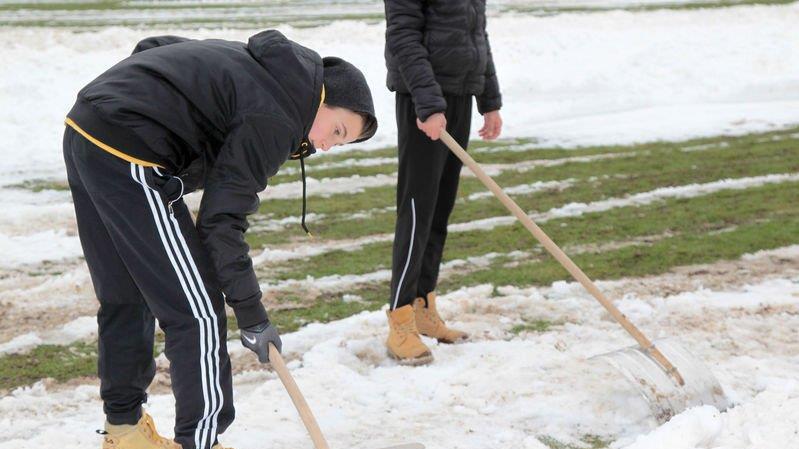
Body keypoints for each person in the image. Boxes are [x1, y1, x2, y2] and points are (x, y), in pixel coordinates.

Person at [62, 30, 376, 449]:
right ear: (321, 98)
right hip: (131, 153)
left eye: (341, 142)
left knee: (129, 292)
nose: (327, 145)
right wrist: (252, 315)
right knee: (200, 312)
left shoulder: (259, 68)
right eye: (337, 130)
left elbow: (155, 48)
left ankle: (125, 432)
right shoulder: (277, 117)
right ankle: (202, 442)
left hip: (86, 128)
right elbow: (221, 221)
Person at [383, 0, 503, 365]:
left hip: (460, 93)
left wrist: (489, 98)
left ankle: (423, 305)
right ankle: (400, 321)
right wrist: (428, 103)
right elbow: (403, 35)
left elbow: (475, 32)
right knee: (418, 210)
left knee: (439, 209)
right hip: (425, 101)